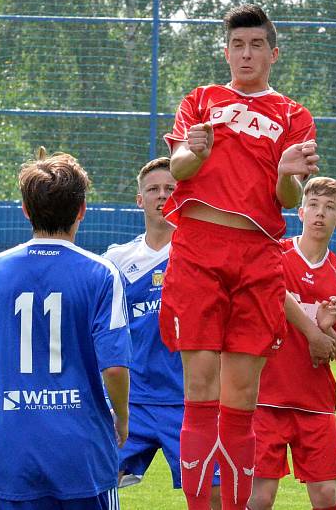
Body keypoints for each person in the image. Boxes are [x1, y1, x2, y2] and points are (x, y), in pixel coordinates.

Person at [159, 3, 322, 510]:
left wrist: (284, 172)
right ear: (226, 51)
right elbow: (179, 167)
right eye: (237, 45)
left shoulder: (294, 115)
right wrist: (196, 153)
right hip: (198, 250)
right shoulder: (201, 101)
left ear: (273, 53)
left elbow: (291, 199)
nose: (245, 53)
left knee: (241, 395)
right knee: (200, 384)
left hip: (257, 256)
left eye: (255, 45)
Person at [0, 149, 131, 510]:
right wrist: (122, 419)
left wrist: (5, 408)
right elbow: (113, 367)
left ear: (25, 210)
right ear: (81, 210)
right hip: (83, 456)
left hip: (14, 456)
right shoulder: (100, 273)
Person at [102, 157, 221, 509]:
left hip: (188, 401)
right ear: (139, 199)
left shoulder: (202, 255)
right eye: (153, 189)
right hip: (130, 399)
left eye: (170, 188)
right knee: (90, 481)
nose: (161, 195)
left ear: (182, 194)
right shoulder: (116, 260)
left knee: (213, 495)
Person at [249, 177, 336, 510]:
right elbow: (273, 291)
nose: (320, 214)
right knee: (260, 497)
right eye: (313, 205)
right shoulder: (276, 254)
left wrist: (326, 331)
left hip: (315, 403)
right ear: (300, 211)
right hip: (265, 398)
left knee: (326, 496)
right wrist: (314, 330)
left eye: (330, 208)